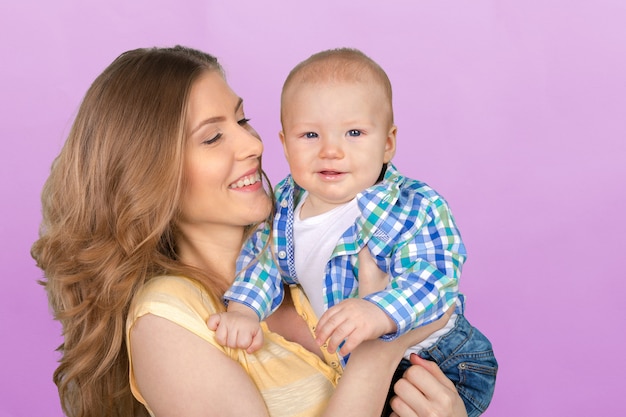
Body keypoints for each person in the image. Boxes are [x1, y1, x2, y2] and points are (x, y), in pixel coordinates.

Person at [31, 45, 469, 417]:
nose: (254, 145)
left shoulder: (297, 246)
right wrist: (378, 352)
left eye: (241, 121)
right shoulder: (167, 320)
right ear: (148, 174)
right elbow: (384, 345)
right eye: (212, 138)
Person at [211, 48, 498, 417]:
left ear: (388, 144)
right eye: (311, 134)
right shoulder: (283, 205)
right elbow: (263, 262)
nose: (331, 151)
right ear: (284, 145)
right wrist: (244, 311)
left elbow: (435, 278)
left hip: (439, 359)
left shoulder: (412, 206)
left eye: (354, 133)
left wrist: (377, 311)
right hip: (358, 368)